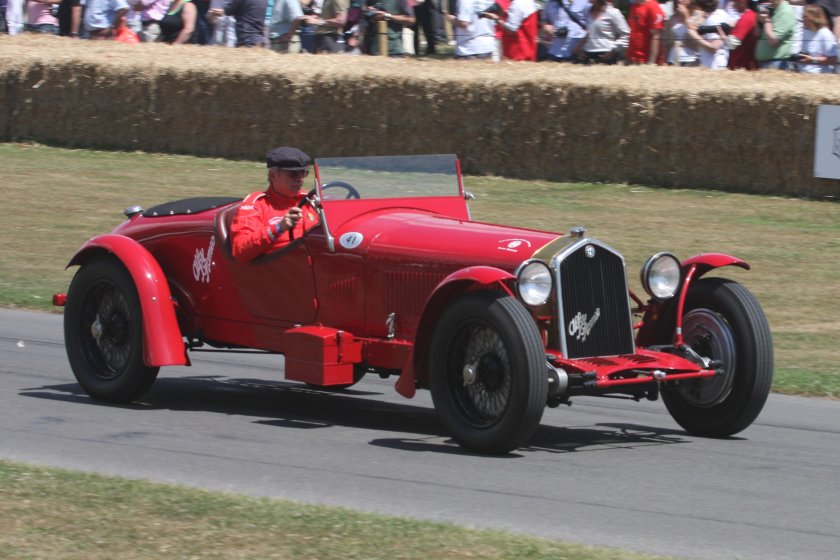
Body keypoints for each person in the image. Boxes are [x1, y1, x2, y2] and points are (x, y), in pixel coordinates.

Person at [230, 147, 320, 263]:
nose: (300, 179)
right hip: (280, 271)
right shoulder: (258, 204)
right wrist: (278, 228)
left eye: (303, 173)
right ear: (273, 175)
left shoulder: (310, 200)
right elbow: (240, 250)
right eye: (293, 174)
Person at [687, 0, 734, 68]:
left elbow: (714, 47)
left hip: (714, 64)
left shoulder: (712, 19)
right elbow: (732, 24)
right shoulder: (721, 13)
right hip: (720, 61)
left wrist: (695, 36)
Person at [796, 3, 838, 71]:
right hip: (802, 74)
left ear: (813, 18)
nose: (802, 19)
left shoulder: (825, 33)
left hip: (819, 76)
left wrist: (813, 60)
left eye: (805, 16)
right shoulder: (805, 32)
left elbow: (833, 59)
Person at [755, 0, 796, 68]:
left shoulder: (785, 12)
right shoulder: (773, 10)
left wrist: (766, 20)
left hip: (776, 63)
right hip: (767, 63)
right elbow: (757, 33)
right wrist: (759, 21)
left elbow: (773, 40)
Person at [664, 0, 703, 66]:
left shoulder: (699, 15)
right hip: (672, 59)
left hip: (691, 59)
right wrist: (665, 60)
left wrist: (686, 16)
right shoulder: (672, 18)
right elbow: (667, 43)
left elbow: (697, 36)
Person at [725, 0, 758, 69]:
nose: (733, 5)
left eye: (735, 1)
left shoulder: (747, 18)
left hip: (741, 66)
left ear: (743, 2)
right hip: (743, 67)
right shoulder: (752, 16)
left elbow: (732, 44)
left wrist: (722, 35)